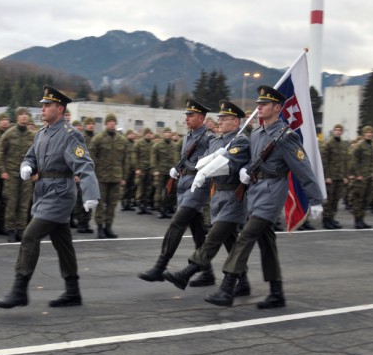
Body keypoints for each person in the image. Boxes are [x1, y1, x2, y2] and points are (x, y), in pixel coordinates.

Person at [205, 86, 324, 309]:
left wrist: (315, 199)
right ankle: (276, 292)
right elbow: (253, 161)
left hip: (272, 195)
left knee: (245, 237)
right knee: (267, 243)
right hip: (255, 192)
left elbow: (303, 169)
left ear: (277, 108)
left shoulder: (286, 136)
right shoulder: (257, 133)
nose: (259, 107)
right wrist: (246, 171)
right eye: (258, 104)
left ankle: (227, 288)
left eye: (264, 104)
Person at [0, 85, 100, 309]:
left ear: (59, 109)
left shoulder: (70, 134)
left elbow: (84, 164)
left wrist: (90, 194)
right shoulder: (41, 133)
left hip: (60, 193)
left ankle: (19, 289)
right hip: (43, 191)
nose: (42, 109)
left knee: (30, 235)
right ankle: (73, 292)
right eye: (42, 105)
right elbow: (30, 155)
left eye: (47, 105)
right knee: (63, 244)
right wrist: (26, 165)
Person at [162, 101, 251, 293]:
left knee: (213, 239)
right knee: (230, 240)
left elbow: (228, 165)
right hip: (217, 196)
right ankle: (243, 282)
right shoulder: (217, 141)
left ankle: (188, 272)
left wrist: (213, 163)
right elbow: (202, 162)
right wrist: (185, 169)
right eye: (219, 118)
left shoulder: (241, 140)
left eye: (224, 118)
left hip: (232, 197)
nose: (219, 121)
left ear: (235, 122)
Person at [137, 99, 213, 282]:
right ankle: (208, 272)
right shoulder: (187, 137)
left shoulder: (209, 138)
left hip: (198, 186)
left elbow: (211, 163)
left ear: (201, 118)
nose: (186, 118)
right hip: (184, 184)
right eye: (186, 115)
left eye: (191, 115)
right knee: (197, 230)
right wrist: (177, 169)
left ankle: (160, 267)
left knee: (177, 223)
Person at [0, 107, 35, 242]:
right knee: (12, 203)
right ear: (17, 117)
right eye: (21, 115)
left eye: (26, 115)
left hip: (26, 175)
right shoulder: (9, 134)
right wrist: (3, 170)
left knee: (24, 204)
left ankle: (21, 229)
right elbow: (1, 153)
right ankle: (11, 230)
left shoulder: (32, 136)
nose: (24, 117)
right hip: (12, 174)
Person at [89, 113, 128, 238]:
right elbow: (92, 157)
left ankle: (108, 227)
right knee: (100, 203)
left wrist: (124, 177)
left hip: (116, 177)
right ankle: (100, 228)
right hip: (101, 177)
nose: (112, 124)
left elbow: (126, 160)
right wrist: (93, 174)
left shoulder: (122, 140)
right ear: (106, 124)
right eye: (110, 122)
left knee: (112, 204)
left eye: (114, 122)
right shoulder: (98, 139)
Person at [320, 123, 348, 229]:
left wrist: (345, 176)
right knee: (329, 199)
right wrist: (327, 176)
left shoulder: (343, 144)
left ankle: (331, 218)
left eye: (340, 130)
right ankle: (326, 219)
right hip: (331, 177)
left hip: (339, 177)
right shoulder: (328, 144)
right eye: (336, 130)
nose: (338, 132)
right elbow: (324, 161)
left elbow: (345, 161)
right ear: (333, 131)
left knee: (336, 199)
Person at [349, 126, 373, 229]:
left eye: (371, 132)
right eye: (367, 132)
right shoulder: (360, 146)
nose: (369, 134)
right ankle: (357, 220)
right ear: (364, 134)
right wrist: (358, 174)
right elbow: (354, 161)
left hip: (369, 177)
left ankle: (362, 219)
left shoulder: (372, 146)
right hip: (361, 178)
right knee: (358, 199)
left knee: (366, 200)